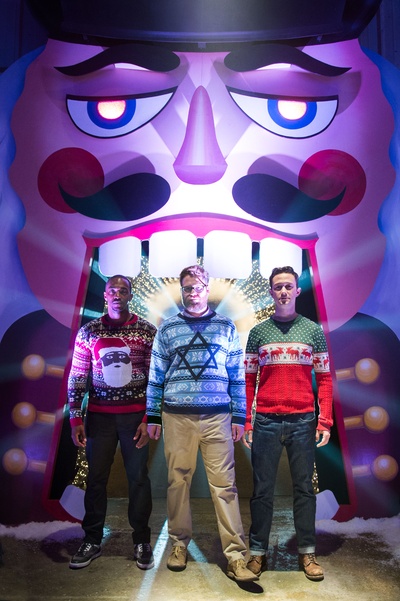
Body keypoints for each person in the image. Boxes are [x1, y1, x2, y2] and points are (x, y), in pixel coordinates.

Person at [146, 265, 257, 582]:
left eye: (198, 287)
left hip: (218, 417)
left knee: (225, 486)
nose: (193, 292)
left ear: (207, 289)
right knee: (177, 482)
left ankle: (235, 556)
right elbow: (156, 374)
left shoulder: (226, 327)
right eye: (187, 287)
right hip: (176, 416)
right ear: (182, 291)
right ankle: (179, 544)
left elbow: (236, 375)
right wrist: (153, 415)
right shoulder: (168, 329)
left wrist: (240, 416)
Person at [242, 266, 333, 581]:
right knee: (262, 491)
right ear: (271, 292)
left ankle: (307, 553)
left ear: (297, 291)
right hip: (266, 421)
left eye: (288, 286)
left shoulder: (312, 331)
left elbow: (325, 379)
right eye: (278, 287)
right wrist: (248, 421)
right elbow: (248, 381)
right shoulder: (258, 333)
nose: (283, 291)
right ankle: (257, 554)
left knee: (304, 490)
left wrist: (324, 420)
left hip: (303, 421)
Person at [68, 275, 157, 570]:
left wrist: (149, 418)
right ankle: (92, 539)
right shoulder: (90, 331)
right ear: (105, 296)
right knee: (96, 479)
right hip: (99, 418)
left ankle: (141, 541)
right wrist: (75, 417)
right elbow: (78, 375)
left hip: (135, 419)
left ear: (130, 295)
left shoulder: (146, 331)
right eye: (112, 290)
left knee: (138, 479)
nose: (117, 294)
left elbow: (156, 378)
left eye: (123, 290)